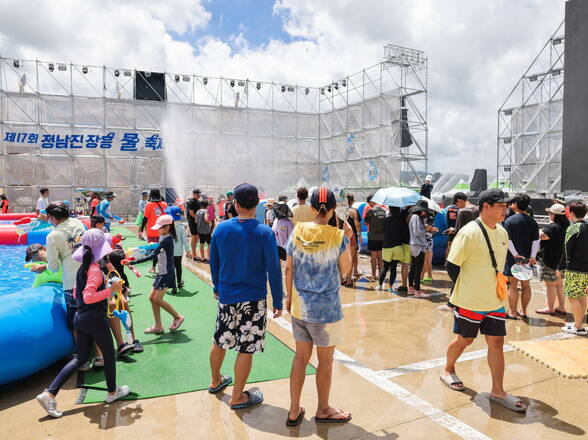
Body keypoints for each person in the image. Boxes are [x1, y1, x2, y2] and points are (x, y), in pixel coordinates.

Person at [441, 189, 527, 413]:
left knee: (496, 343)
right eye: (501, 206)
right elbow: (452, 265)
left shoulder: (502, 232)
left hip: (495, 300)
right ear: (486, 206)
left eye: (506, 206)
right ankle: (448, 369)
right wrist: (467, 289)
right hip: (470, 301)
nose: (505, 210)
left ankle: (498, 390)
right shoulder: (469, 232)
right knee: (464, 340)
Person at [35, 229, 130, 418]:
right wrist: (110, 291)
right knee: (109, 354)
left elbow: (79, 294)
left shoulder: (82, 268)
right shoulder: (94, 269)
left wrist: (106, 290)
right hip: (94, 318)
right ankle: (112, 392)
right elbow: (88, 296)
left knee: (80, 357)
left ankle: (49, 393)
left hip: (81, 318)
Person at [207, 183, 283, 410]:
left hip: (227, 296)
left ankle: (215, 380)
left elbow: (214, 262)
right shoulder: (264, 232)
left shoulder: (220, 229)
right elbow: (274, 269)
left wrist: (217, 288)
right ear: (257, 205)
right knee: (246, 347)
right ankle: (238, 395)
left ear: (235, 204)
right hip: (254, 299)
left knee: (220, 340)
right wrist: (278, 301)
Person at [285, 187, 352, 426]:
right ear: (333, 209)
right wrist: (348, 239)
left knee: (301, 358)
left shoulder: (298, 231)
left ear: (312, 208)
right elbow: (346, 271)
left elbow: (289, 268)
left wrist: (289, 299)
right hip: (326, 312)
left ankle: (294, 410)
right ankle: (323, 408)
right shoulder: (337, 236)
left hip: (301, 309)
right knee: (325, 361)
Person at [30, 203, 86, 339]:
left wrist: (44, 266)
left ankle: (81, 354)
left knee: (75, 322)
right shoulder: (77, 223)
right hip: (90, 274)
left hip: (72, 281)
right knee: (92, 316)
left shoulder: (52, 236)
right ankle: (99, 353)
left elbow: (54, 267)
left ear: (51, 217)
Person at [130, 214, 184, 334]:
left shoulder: (167, 240)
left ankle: (178, 317)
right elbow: (154, 250)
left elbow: (152, 255)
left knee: (158, 299)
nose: (158, 230)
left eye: (160, 228)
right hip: (161, 272)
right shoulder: (163, 238)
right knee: (152, 298)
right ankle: (158, 326)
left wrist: (134, 261)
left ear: (167, 227)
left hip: (166, 273)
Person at [503, 193, 539, 319]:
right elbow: (536, 240)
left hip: (513, 258)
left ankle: (513, 312)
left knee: (513, 285)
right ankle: (523, 311)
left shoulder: (509, 221)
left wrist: (516, 254)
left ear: (516, 205)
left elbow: (508, 240)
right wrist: (533, 256)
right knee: (526, 285)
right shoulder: (532, 221)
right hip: (529, 258)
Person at [536, 203, 569, 316]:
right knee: (559, 285)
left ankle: (550, 308)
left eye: (550, 213)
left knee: (550, 285)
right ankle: (562, 307)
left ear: (555, 215)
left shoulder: (553, 227)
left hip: (550, 261)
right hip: (562, 262)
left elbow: (541, 235)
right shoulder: (567, 227)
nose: (549, 215)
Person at [561, 201, 588, 335]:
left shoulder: (573, 228)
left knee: (573, 297)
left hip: (574, 268)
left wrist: (561, 267)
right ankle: (579, 323)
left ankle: (578, 326)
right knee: (582, 296)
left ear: (571, 213)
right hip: (586, 269)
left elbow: (566, 249)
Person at [378, 206, 410, 292]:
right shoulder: (401, 221)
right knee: (393, 267)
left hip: (387, 246)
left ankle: (380, 285)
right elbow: (403, 233)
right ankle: (390, 287)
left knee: (385, 267)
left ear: (390, 211)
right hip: (398, 246)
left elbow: (383, 231)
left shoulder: (386, 220)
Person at [408, 203, 436, 297]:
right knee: (418, 268)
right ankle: (417, 290)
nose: (425, 213)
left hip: (414, 244)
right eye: (424, 211)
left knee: (413, 267)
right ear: (421, 210)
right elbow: (418, 232)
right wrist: (428, 229)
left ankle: (411, 288)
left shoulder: (413, 216)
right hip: (418, 245)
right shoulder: (416, 217)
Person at [139, 189, 168, 273]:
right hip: (163, 231)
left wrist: (141, 230)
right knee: (162, 250)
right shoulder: (164, 204)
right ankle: (162, 268)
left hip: (151, 231)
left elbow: (145, 218)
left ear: (151, 195)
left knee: (153, 251)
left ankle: (153, 268)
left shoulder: (148, 205)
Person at [165, 206, 190, 293]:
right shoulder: (181, 227)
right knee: (178, 267)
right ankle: (179, 282)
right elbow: (185, 240)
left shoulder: (167, 227)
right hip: (179, 252)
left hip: (169, 251)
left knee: (170, 268)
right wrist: (188, 250)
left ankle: (172, 285)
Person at [364, 195, 386, 281]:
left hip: (373, 236)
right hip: (382, 237)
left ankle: (373, 275)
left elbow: (366, 223)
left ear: (372, 201)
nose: (369, 205)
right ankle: (381, 274)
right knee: (380, 257)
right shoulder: (384, 211)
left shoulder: (370, 211)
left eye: (369, 203)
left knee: (373, 257)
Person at [345, 193, 362, 280]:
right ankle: (349, 278)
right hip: (352, 236)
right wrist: (359, 235)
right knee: (352, 256)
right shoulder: (354, 211)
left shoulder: (340, 210)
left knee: (345, 256)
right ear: (352, 201)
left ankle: (351, 273)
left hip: (342, 236)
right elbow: (357, 225)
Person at [186, 189, 202, 261]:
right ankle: (193, 254)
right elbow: (191, 213)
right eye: (198, 194)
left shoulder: (198, 201)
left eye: (199, 194)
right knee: (194, 236)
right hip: (192, 221)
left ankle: (193, 253)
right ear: (194, 194)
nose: (199, 196)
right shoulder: (191, 201)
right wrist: (198, 219)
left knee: (196, 237)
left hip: (196, 221)